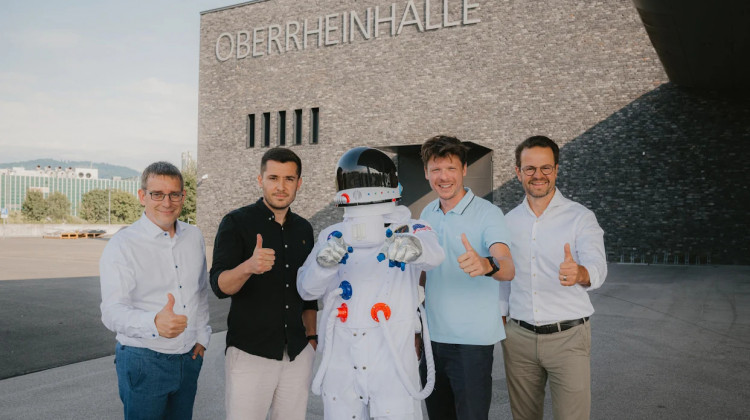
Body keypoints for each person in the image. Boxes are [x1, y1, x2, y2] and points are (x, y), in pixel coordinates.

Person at [297, 146, 445, 420]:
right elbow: (307, 289)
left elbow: (435, 254)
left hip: (391, 355)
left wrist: (414, 249)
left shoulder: (411, 229)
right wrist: (322, 265)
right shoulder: (331, 235)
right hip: (342, 355)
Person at [501, 135, 607, 420]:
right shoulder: (508, 222)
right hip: (519, 339)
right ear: (518, 172)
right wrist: (502, 324)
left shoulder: (580, 217)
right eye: (530, 168)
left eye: (545, 168)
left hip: (568, 338)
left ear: (556, 170)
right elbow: (504, 281)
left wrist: (580, 273)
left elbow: (597, 267)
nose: (538, 175)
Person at [210, 147, 317, 420]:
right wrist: (248, 266)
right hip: (250, 354)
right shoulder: (236, 222)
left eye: (289, 179)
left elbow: (309, 293)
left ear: (299, 183)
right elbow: (219, 286)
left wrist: (312, 338)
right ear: (260, 180)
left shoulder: (304, 229)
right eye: (273, 178)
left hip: (297, 354)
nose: (281, 187)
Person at [100, 161, 211, 420]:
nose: (167, 202)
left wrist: (202, 336)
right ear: (142, 196)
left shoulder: (194, 237)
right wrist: (153, 323)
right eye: (157, 194)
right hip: (144, 359)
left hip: (188, 358)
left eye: (174, 194)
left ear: (183, 196)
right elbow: (111, 312)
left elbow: (200, 291)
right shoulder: (122, 245)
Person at [417, 135, 515, 420]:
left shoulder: (488, 213)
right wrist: (415, 328)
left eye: (451, 168)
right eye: (436, 169)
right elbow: (422, 274)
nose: (443, 177)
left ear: (464, 169)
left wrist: (486, 264)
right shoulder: (426, 214)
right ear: (426, 173)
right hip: (432, 340)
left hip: (472, 344)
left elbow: (508, 267)